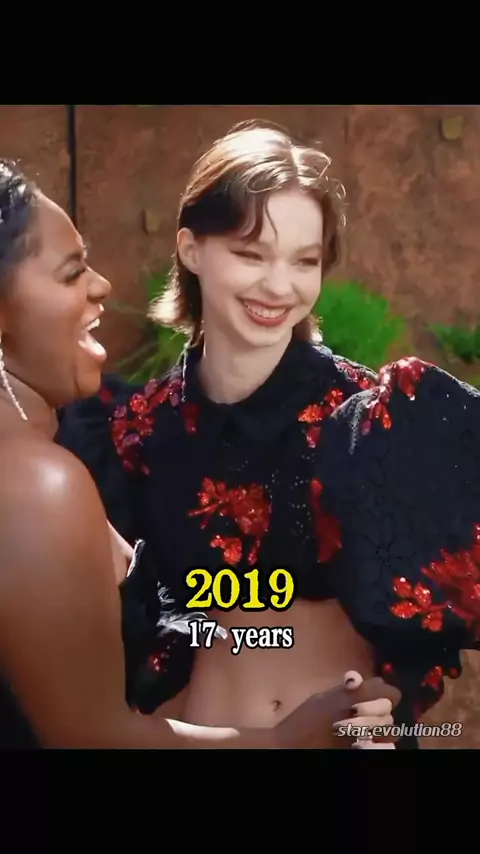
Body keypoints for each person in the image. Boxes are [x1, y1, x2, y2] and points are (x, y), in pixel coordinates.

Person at [57, 118, 459, 748]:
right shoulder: (135, 430)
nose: (278, 286)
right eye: (251, 254)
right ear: (191, 250)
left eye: (304, 261)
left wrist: (392, 705)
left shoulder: (369, 420)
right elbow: (146, 625)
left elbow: (430, 618)